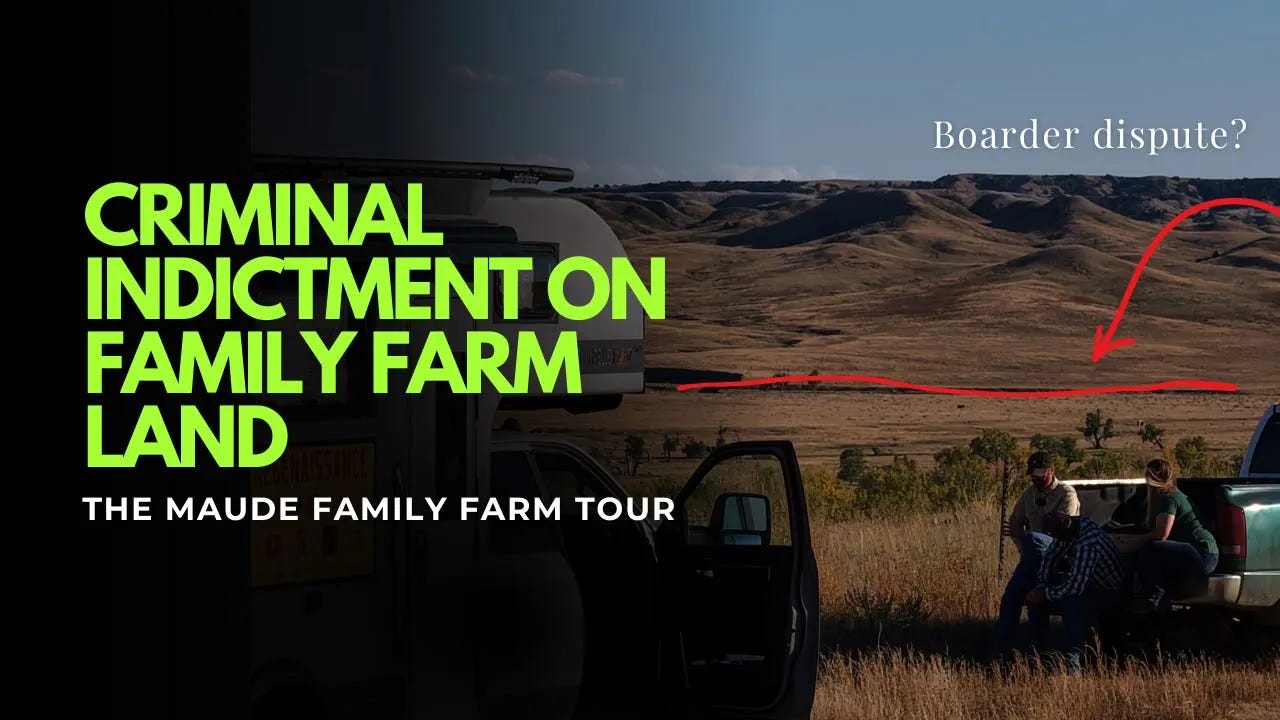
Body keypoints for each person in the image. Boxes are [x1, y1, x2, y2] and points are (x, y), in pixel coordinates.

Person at [994, 451, 1080, 659]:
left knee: (1032, 542)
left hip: (1058, 555)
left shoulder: (1066, 493)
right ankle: (1007, 651)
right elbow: (1014, 521)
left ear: (1052, 471)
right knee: (1012, 597)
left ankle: (1009, 653)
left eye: (1041, 475)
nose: (1037, 479)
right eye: (1034, 475)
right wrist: (1024, 546)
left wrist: (1026, 539)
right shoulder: (1029, 494)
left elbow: (1062, 531)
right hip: (1034, 557)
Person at [1025, 511, 1125, 672]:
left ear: (1066, 526)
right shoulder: (1072, 529)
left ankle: (1072, 665)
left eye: (1057, 534)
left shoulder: (1088, 545)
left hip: (1108, 591)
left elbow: (1074, 587)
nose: (1056, 538)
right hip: (1088, 584)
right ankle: (1037, 658)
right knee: (1037, 604)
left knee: (1072, 605)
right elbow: (1051, 556)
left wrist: (1044, 594)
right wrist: (1041, 585)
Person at [1130, 459, 1219, 613]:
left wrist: (1135, 541)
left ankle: (1153, 599)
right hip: (1203, 553)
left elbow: (1161, 534)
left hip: (1201, 555)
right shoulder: (1172, 495)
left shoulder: (1168, 498)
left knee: (1150, 549)